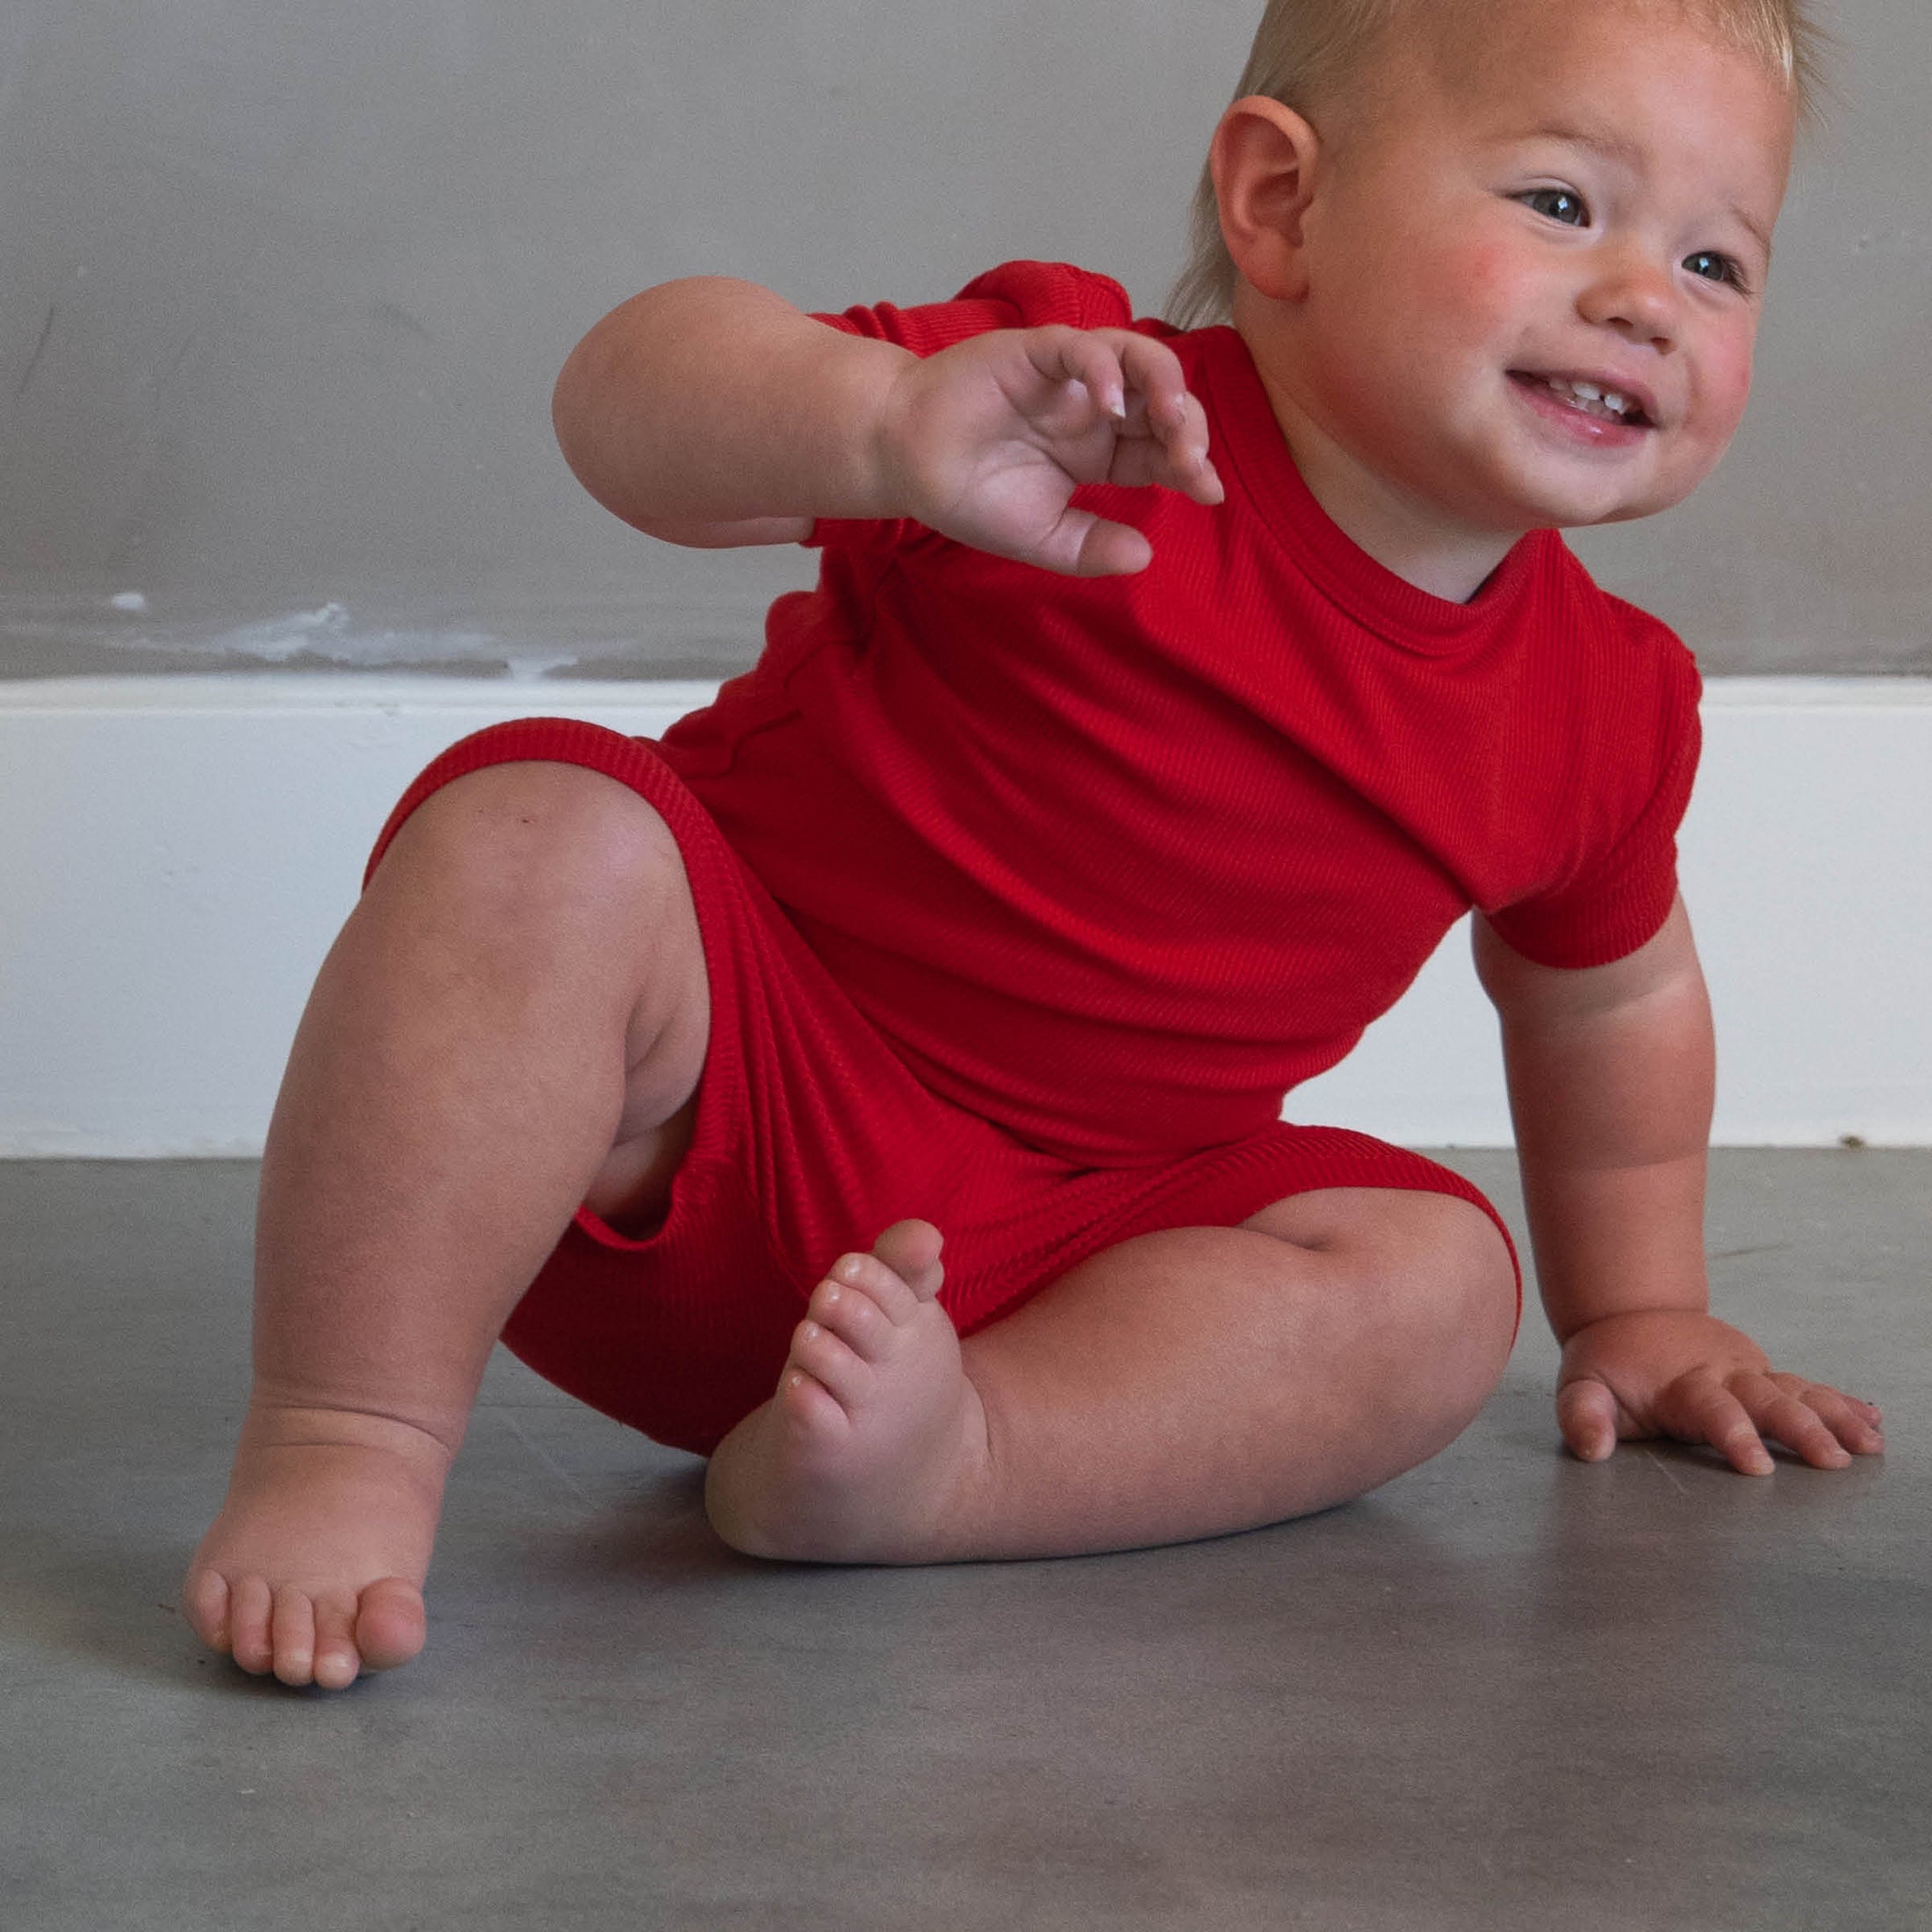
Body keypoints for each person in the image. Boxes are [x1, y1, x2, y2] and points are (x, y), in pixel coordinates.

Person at [183, 0, 1884, 1692]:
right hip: (701, 1111)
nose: (1640, 299)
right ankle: (347, 1430)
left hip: (1070, 1267)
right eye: (1562, 206)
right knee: (534, 835)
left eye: (1716, 265)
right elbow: (613, 405)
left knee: (1440, 1281)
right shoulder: (1066, 404)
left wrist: (1636, 1309)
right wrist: (871, 421)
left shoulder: (1602, 702)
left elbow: (1602, 1002)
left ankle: (948, 1461)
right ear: (1280, 205)